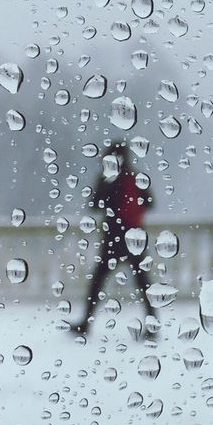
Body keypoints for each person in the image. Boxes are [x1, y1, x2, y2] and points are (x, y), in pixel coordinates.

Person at [70, 141, 153, 334]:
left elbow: (95, 203)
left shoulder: (109, 179)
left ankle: (86, 322)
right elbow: (150, 201)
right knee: (143, 282)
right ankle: (152, 324)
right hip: (135, 236)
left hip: (115, 236)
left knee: (98, 280)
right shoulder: (136, 177)